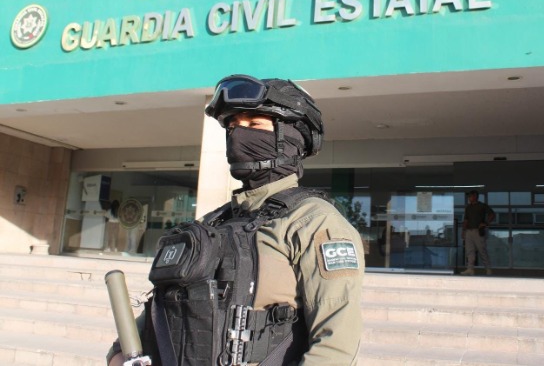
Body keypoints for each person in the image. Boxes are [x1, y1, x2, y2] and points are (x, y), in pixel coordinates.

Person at [107, 75, 365, 365]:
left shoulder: (314, 223)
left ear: (292, 137)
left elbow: (336, 346)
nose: (239, 134)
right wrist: (119, 354)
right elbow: (159, 314)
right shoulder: (210, 224)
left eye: (254, 124)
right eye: (232, 126)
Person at [461, 190, 495, 276]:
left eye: (470, 196)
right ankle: (470, 269)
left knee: (482, 250)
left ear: (475, 196)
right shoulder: (468, 207)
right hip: (469, 230)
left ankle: (488, 269)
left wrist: (486, 223)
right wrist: (463, 231)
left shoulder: (482, 206)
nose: (469, 198)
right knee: (469, 250)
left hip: (478, 230)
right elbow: (466, 220)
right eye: (468, 196)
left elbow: (492, 214)